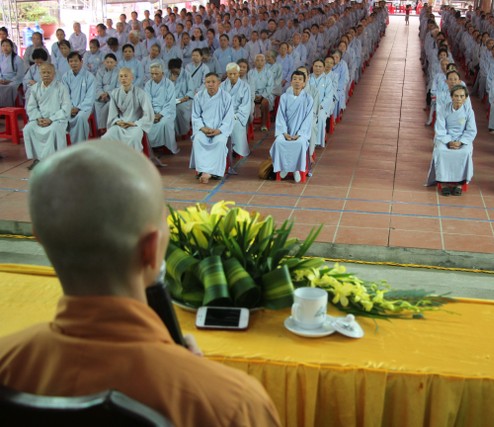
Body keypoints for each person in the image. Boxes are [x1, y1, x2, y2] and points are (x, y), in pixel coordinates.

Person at [0, 140, 282, 427]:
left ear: (40, 238)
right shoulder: (232, 404)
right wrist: (190, 372)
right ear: (150, 248)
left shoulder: (7, 363)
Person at [426, 85, 477, 196]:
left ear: (465, 98)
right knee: (441, 151)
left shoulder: (469, 111)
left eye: (462, 96)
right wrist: (449, 141)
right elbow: (440, 129)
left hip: (462, 139)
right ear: (451, 97)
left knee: (465, 152)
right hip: (445, 138)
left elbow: (471, 130)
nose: (459, 99)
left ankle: (459, 184)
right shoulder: (443, 109)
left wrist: (460, 142)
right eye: (456, 96)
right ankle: (443, 183)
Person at [22, 63, 71, 170]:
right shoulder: (35, 88)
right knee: (28, 129)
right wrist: (38, 118)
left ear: (54, 74)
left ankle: (54, 161)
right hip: (40, 119)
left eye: (49, 72)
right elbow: (31, 106)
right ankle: (37, 159)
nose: (46, 75)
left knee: (53, 130)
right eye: (43, 72)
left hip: (56, 119)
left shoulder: (61, 88)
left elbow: (66, 108)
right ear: (40, 74)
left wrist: (51, 119)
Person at [269, 70, 314, 183]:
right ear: (291, 82)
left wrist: (299, 134)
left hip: (300, 133)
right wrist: (284, 133)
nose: (297, 81)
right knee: (279, 142)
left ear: (304, 83)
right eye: (294, 79)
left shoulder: (308, 99)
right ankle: (284, 167)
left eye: (300, 79)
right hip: (286, 132)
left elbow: (308, 120)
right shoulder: (284, 97)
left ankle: (296, 169)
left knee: (299, 143)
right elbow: (280, 116)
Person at [190, 72, 234, 183]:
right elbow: (195, 116)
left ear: (219, 83)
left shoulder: (226, 97)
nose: (210, 84)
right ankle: (202, 170)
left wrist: (219, 130)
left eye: (213, 82)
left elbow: (229, 118)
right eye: (208, 82)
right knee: (198, 140)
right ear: (205, 83)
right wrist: (203, 128)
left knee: (219, 142)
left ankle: (212, 172)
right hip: (203, 129)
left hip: (219, 130)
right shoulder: (199, 96)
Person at [101, 67, 154, 154]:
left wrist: (135, 123)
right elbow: (112, 113)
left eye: (126, 76)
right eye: (121, 76)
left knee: (133, 138)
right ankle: (113, 160)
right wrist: (117, 121)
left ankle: (130, 160)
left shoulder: (140, 93)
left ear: (132, 78)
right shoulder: (115, 93)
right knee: (106, 137)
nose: (123, 79)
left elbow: (148, 114)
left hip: (135, 126)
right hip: (121, 125)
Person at [61, 52, 96, 145]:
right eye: (71, 61)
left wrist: (79, 108)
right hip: (70, 108)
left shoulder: (89, 77)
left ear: (81, 62)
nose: (73, 63)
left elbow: (90, 97)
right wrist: (70, 108)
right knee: (60, 117)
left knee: (80, 117)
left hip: (85, 108)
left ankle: (80, 145)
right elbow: (65, 95)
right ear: (68, 63)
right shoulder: (65, 77)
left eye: (76, 61)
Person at [221, 62, 252, 165]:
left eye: (235, 73)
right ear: (227, 74)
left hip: (237, 115)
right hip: (224, 114)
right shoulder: (222, 86)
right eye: (230, 74)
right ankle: (222, 150)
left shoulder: (245, 86)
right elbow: (219, 103)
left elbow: (245, 105)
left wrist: (237, 115)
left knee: (236, 124)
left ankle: (238, 151)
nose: (232, 76)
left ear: (239, 73)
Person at [144, 63, 178, 154]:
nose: (154, 76)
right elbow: (147, 101)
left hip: (166, 111)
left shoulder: (169, 84)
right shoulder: (148, 84)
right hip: (152, 111)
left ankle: (167, 147)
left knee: (164, 123)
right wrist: (152, 114)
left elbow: (170, 102)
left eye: (156, 74)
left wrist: (161, 114)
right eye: (152, 74)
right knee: (146, 122)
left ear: (162, 73)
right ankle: (152, 147)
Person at [168, 58, 194, 139]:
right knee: (169, 109)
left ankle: (185, 131)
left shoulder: (186, 74)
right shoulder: (168, 75)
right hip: (172, 100)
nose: (174, 72)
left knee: (179, 108)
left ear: (179, 68)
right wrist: (172, 81)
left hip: (185, 100)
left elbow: (191, 90)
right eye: (172, 71)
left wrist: (184, 98)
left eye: (175, 71)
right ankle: (173, 133)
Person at [94, 53, 119, 130]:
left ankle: (107, 127)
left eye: (111, 62)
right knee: (96, 104)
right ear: (104, 62)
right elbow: (97, 85)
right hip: (102, 96)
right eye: (107, 62)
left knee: (108, 106)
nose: (109, 64)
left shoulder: (119, 72)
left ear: (115, 63)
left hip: (113, 97)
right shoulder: (100, 71)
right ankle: (100, 128)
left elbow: (118, 88)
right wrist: (101, 94)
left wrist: (108, 94)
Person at [0, 39, 23, 107]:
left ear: (11, 47)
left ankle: (8, 107)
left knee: (9, 88)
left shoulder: (17, 58)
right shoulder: (0, 57)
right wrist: (1, 79)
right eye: (3, 46)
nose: (5, 47)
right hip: (3, 79)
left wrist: (10, 81)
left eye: (7, 45)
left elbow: (20, 74)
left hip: (14, 80)